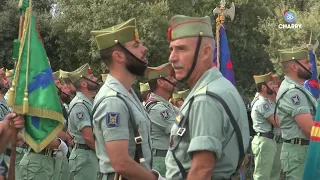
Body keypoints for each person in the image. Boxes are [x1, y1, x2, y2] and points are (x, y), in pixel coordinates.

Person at [165, 15, 249, 180]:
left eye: (181, 49)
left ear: (206, 52)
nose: (172, 58)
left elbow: (201, 171)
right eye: (171, 49)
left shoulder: (205, 99)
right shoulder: (221, 87)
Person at [91, 18, 164, 180]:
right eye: (136, 46)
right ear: (118, 56)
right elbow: (121, 163)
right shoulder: (113, 101)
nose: (144, 49)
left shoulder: (127, 93)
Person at [276, 47, 317, 180]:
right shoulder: (293, 92)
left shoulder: (298, 89)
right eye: (306, 62)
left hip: (303, 150)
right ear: (294, 66)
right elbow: (309, 129)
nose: (311, 65)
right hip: (299, 153)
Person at [144, 63, 180, 177]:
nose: (174, 80)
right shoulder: (157, 108)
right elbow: (179, 129)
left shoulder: (166, 105)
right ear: (160, 82)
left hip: (168, 157)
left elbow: (184, 119)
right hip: (161, 160)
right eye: (170, 78)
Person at [67, 63, 99, 180]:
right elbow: (89, 138)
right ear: (84, 83)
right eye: (91, 78)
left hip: (90, 155)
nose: (96, 79)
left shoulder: (89, 102)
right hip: (85, 157)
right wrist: (106, 154)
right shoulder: (79, 104)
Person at [251, 72, 281, 180]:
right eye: (271, 84)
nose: (274, 86)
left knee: (274, 175)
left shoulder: (269, 101)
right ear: (264, 87)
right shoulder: (262, 103)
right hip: (265, 141)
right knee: (262, 176)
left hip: (272, 141)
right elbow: (277, 122)